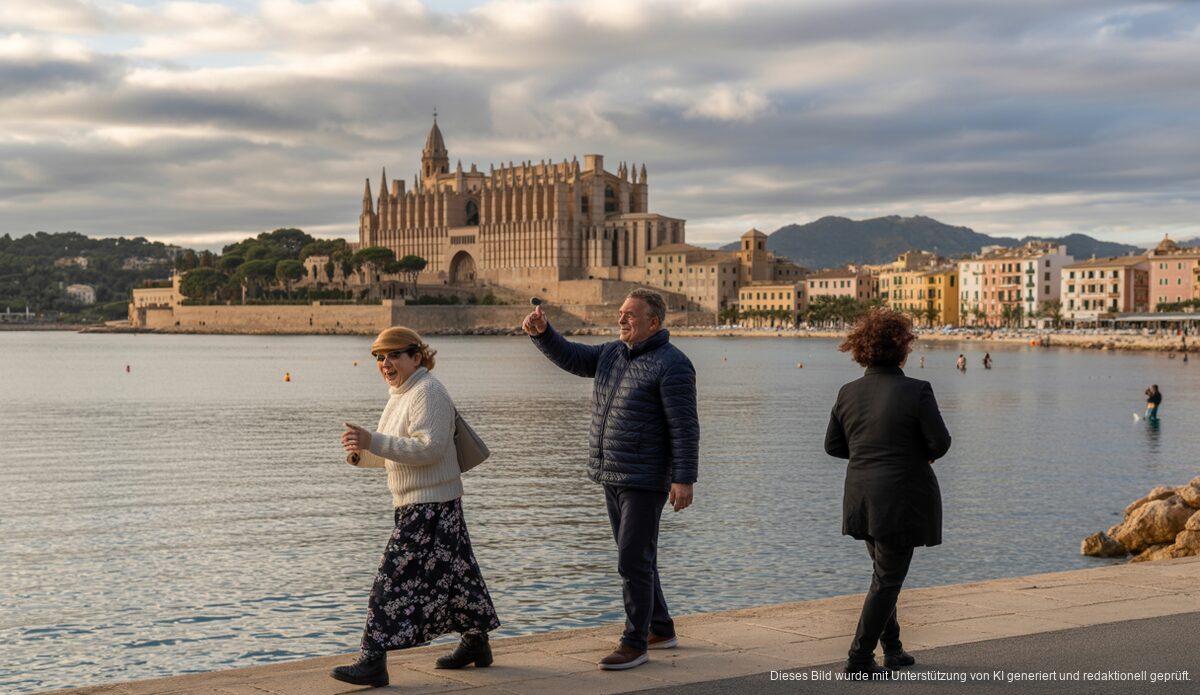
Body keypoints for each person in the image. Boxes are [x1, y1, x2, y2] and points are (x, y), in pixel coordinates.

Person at [522, 289, 698, 671]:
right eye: (620, 313)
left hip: (646, 477)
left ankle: (634, 643)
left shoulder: (674, 365)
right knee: (638, 557)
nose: (621, 320)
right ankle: (661, 628)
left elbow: (684, 428)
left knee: (632, 559)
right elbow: (571, 356)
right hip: (612, 472)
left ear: (654, 322)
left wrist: (683, 479)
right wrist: (543, 333)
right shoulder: (611, 354)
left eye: (630, 315)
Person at [332, 327, 501, 687]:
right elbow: (398, 453)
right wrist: (361, 454)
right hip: (426, 502)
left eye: (394, 355)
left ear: (416, 356)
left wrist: (373, 440)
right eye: (379, 357)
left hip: (431, 505)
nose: (385, 364)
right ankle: (476, 643)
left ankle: (373, 660)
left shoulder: (428, 392)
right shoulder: (401, 394)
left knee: (389, 583)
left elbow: (430, 449)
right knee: (458, 576)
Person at [824, 309, 952, 677]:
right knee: (888, 578)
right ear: (902, 349)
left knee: (883, 574)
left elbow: (834, 446)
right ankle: (859, 658)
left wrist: (868, 453)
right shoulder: (917, 390)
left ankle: (893, 650)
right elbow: (940, 443)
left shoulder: (848, 392)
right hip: (901, 497)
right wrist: (908, 455)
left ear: (862, 350)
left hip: (861, 497)